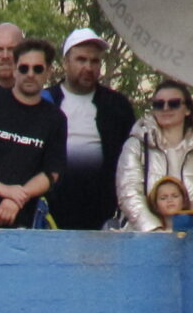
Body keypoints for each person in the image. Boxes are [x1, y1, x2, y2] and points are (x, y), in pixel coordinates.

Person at [0, 35, 61, 227]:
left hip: (25, 225)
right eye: (24, 68)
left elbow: (52, 173)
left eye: (38, 68)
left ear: (48, 71)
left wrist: (17, 198)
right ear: (15, 69)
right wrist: (2, 190)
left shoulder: (56, 118)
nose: (30, 74)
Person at [45, 30, 133, 230]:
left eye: (94, 61)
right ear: (66, 63)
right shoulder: (46, 101)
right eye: (81, 60)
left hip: (102, 216)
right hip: (52, 214)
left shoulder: (117, 106)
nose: (88, 67)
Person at [114, 79, 193, 231]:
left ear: (188, 109)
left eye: (174, 103)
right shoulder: (136, 145)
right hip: (144, 238)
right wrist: (154, 229)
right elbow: (128, 194)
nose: (165, 108)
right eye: (159, 104)